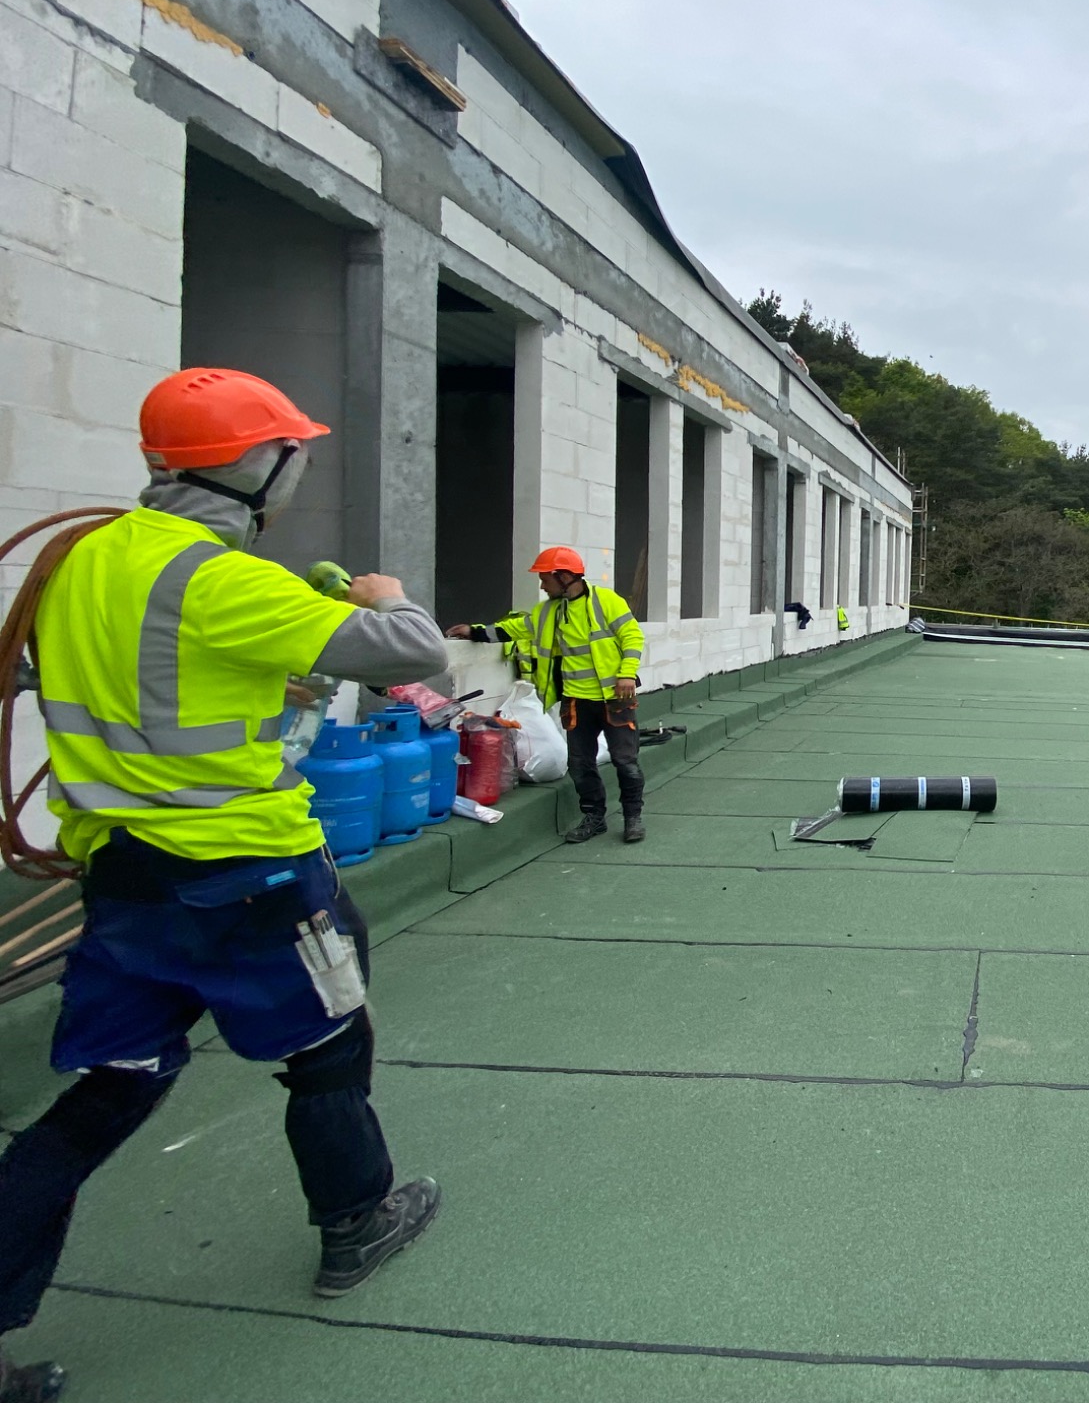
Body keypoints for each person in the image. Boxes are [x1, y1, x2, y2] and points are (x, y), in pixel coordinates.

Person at [0, 369, 451, 1403]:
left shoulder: (85, 561)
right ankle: (355, 1224)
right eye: (292, 454)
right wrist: (384, 600)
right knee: (331, 1043)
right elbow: (414, 649)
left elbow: (138, 680)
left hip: (123, 877)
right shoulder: (224, 581)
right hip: (246, 875)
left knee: (111, 1085)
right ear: (262, 466)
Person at [446, 548, 644, 845]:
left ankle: (633, 818)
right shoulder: (548, 612)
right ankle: (594, 817)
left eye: (545, 579)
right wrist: (474, 632)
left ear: (564, 577)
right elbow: (514, 628)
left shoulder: (607, 601)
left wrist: (627, 673)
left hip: (614, 698)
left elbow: (632, 636)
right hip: (576, 701)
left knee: (625, 761)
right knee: (580, 764)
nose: (542, 585)